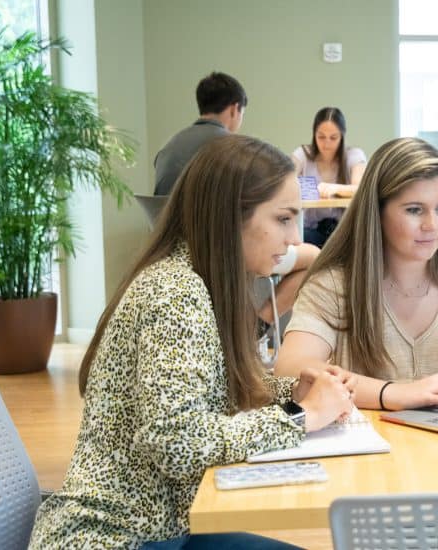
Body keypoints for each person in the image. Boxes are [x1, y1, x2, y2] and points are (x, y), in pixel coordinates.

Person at [30, 135, 356, 549]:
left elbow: (208, 394)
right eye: (283, 219)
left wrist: (290, 392)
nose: (294, 238)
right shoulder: (175, 294)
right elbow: (176, 440)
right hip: (115, 540)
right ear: (229, 217)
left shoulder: (192, 280)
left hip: (160, 530)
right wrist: (299, 416)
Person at [274, 137, 438, 411]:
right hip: (378, 451)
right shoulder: (335, 283)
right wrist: (396, 393)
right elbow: (290, 370)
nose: (432, 225)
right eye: (414, 210)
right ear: (377, 211)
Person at [153, 71, 318, 327]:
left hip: (178, 249)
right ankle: (258, 325)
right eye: (284, 218)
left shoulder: (169, 147)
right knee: (314, 257)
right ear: (234, 109)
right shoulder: (231, 156)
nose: (294, 236)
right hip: (218, 249)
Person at [292, 107, 368, 247]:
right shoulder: (302, 154)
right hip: (310, 230)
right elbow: (284, 182)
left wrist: (335, 188)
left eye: (333, 138)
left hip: (343, 231)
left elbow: (362, 189)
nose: (326, 144)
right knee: (297, 241)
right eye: (321, 137)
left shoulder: (354, 155)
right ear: (314, 134)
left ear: (342, 136)